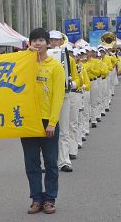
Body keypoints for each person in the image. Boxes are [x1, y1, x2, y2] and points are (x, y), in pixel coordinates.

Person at [22, 28, 65, 214]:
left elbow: (58, 96)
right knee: (31, 163)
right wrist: (26, 56)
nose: (37, 43)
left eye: (41, 40)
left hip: (48, 121)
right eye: (34, 40)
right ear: (30, 43)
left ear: (48, 43)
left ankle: (50, 199)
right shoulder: (23, 64)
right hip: (28, 121)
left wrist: (52, 122)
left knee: (51, 163)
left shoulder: (55, 66)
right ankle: (36, 199)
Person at [47, 30, 79, 173]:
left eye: (56, 40)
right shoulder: (42, 56)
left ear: (61, 41)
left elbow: (77, 78)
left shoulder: (68, 58)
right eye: (51, 40)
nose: (54, 42)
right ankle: (48, 162)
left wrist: (73, 84)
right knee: (46, 130)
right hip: (46, 97)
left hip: (64, 96)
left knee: (64, 130)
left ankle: (64, 161)